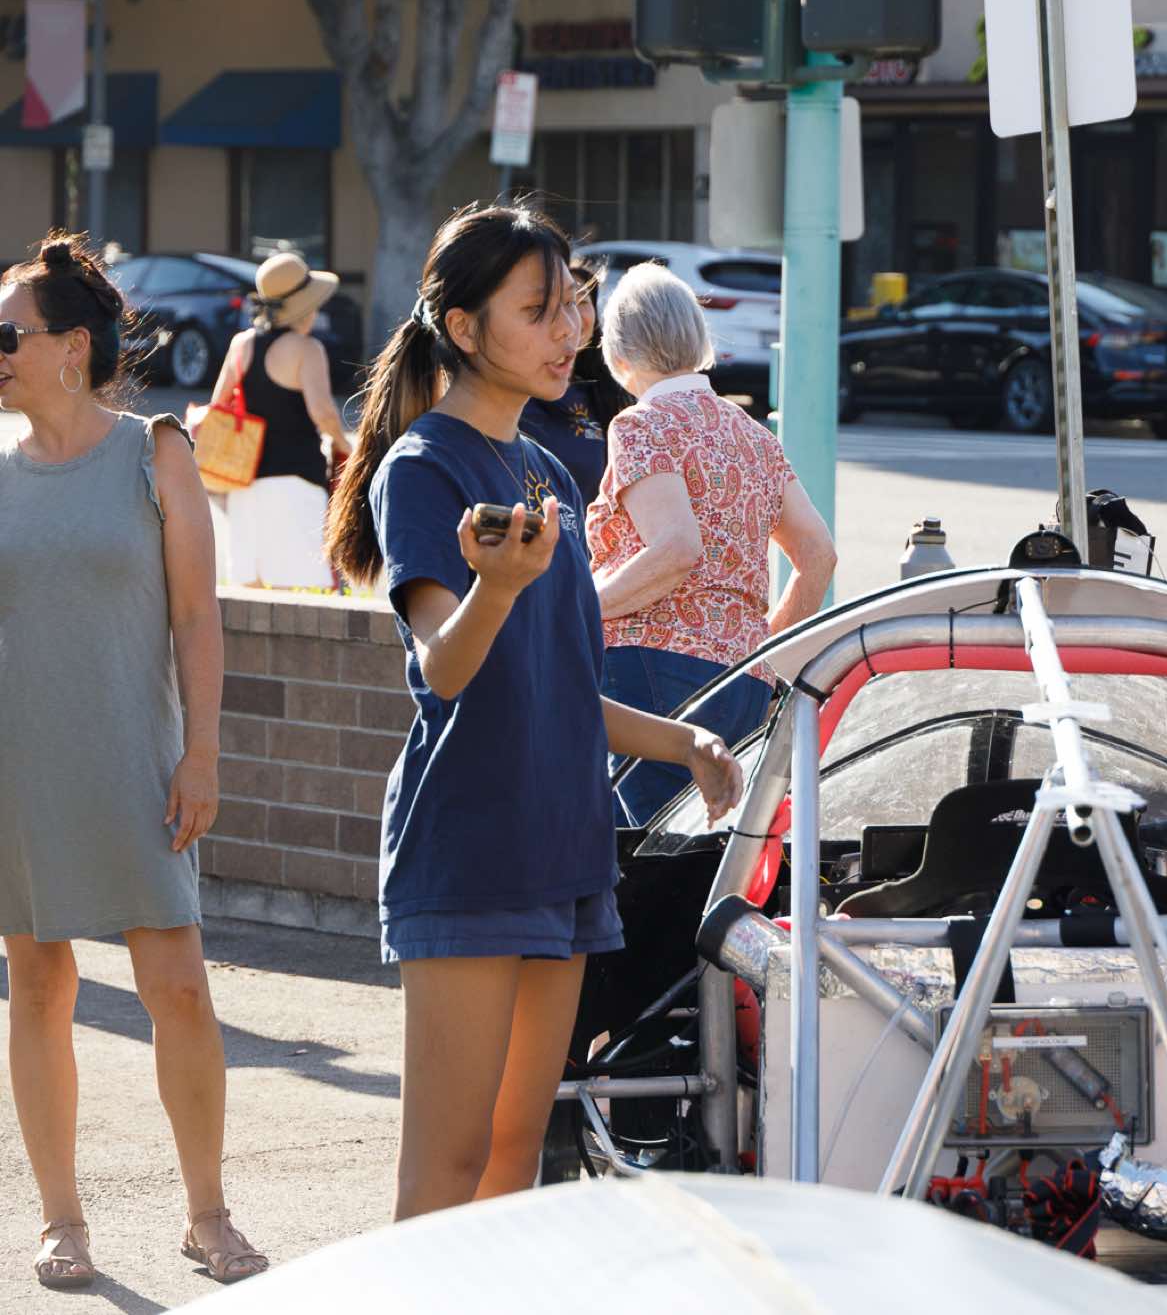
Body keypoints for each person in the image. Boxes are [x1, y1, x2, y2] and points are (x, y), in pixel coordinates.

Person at [322, 204, 744, 1220]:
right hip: (471, 846)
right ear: (464, 328)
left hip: (568, 847)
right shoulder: (423, 465)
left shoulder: (548, 470)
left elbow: (560, 684)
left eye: (575, 306)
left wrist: (685, 740)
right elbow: (446, 668)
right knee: (448, 1163)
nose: (570, 332)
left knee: (518, 1155)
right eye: (539, 310)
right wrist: (497, 587)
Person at [0, 234, 267, 1286]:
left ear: (71, 346)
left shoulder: (154, 452)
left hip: (137, 755)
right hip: (19, 764)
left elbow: (198, 617)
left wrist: (201, 752)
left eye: (7, 336)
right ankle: (61, 1220)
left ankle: (208, 1215)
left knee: (179, 988)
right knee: (37, 986)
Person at [589, 263, 836, 826]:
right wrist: (760, 651)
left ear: (618, 352)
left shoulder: (640, 424)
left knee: (647, 852)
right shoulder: (753, 435)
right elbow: (819, 556)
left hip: (649, 667)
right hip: (742, 679)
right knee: (709, 847)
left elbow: (677, 549)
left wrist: (579, 605)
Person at [204, 250, 352, 588]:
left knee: (252, 598)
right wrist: (346, 446)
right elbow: (323, 413)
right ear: (304, 306)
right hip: (296, 484)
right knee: (301, 596)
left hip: (245, 486)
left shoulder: (241, 345)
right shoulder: (307, 350)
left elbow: (218, 408)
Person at [518, 256, 630, 505]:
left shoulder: (610, 394)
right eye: (560, 303)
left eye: (580, 302)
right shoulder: (515, 392)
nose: (572, 318)